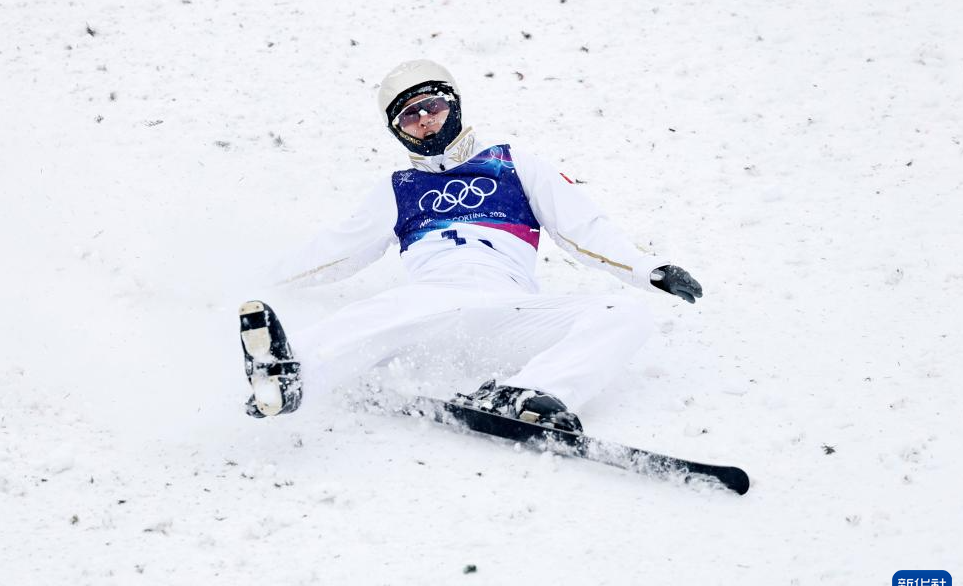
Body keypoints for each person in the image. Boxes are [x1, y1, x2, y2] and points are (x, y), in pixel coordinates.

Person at [239, 59, 702, 432]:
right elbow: (334, 251)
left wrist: (647, 268)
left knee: (627, 314)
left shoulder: (512, 163)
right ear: (398, 130)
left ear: (454, 105)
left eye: (432, 106)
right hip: (435, 309)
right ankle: (287, 374)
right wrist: (247, 282)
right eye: (409, 116)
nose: (425, 119)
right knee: (383, 310)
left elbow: (582, 226)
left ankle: (527, 394)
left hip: (509, 313)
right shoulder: (398, 188)